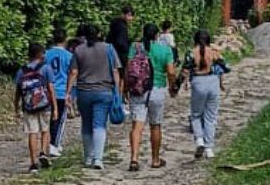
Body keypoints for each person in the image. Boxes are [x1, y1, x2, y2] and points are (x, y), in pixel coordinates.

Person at [66, 23, 121, 170]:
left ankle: (88, 157)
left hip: (84, 92)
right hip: (104, 91)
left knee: (86, 124)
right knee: (100, 124)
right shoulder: (108, 48)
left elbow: (74, 73)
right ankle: (98, 158)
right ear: (99, 33)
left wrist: (68, 92)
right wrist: (118, 90)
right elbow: (115, 71)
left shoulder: (78, 50)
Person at [125, 23, 176, 171]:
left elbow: (129, 69)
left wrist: (125, 88)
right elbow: (171, 72)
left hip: (139, 90)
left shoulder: (135, 47)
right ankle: (155, 159)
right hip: (157, 89)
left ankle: (134, 158)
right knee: (155, 125)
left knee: (137, 125)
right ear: (157, 35)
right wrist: (172, 87)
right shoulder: (165, 50)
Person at [13, 42, 57, 172]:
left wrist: (16, 107)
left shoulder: (22, 70)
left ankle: (33, 163)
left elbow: (18, 91)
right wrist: (55, 107)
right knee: (45, 130)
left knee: (32, 132)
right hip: (44, 105)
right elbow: (50, 89)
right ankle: (43, 152)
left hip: (28, 106)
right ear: (40, 54)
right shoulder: (46, 68)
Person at [184, 29, 227, 160]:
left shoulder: (191, 53)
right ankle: (209, 148)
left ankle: (199, 140)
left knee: (196, 115)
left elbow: (185, 69)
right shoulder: (214, 53)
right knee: (211, 117)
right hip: (212, 83)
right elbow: (226, 67)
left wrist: (184, 83)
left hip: (198, 82)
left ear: (195, 40)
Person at [42, 28, 73, 157]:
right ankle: (54, 144)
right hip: (61, 90)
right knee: (60, 119)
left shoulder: (46, 54)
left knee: (49, 118)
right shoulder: (69, 56)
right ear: (65, 40)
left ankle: (49, 142)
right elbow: (72, 72)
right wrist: (70, 91)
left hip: (48, 90)